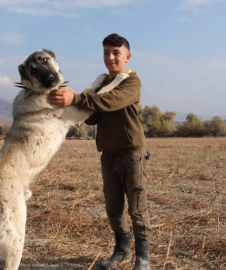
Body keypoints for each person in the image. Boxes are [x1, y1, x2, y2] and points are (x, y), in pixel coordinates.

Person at [49, 33, 151, 270]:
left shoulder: (131, 82)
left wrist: (77, 98)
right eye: (106, 52)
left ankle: (143, 259)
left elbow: (111, 102)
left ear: (127, 56)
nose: (110, 57)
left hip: (131, 154)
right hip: (108, 155)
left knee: (137, 208)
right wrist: (72, 105)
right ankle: (121, 250)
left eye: (116, 53)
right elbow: (92, 117)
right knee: (113, 209)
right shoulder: (100, 85)